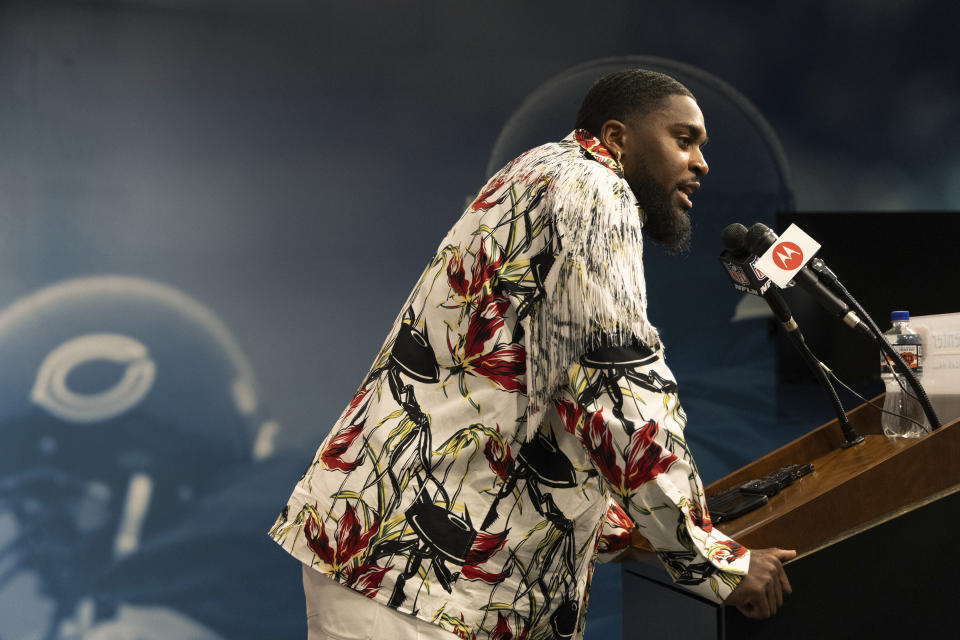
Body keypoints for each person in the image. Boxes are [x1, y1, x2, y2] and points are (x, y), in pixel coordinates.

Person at [270, 68, 794, 640]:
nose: (700, 163)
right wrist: (717, 565)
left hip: (407, 562)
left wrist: (627, 534)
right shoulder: (596, 191)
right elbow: (616, 393)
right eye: (684, 140)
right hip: (419, 578)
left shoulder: (541, 174)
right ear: (617, 138)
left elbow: (542, 391)